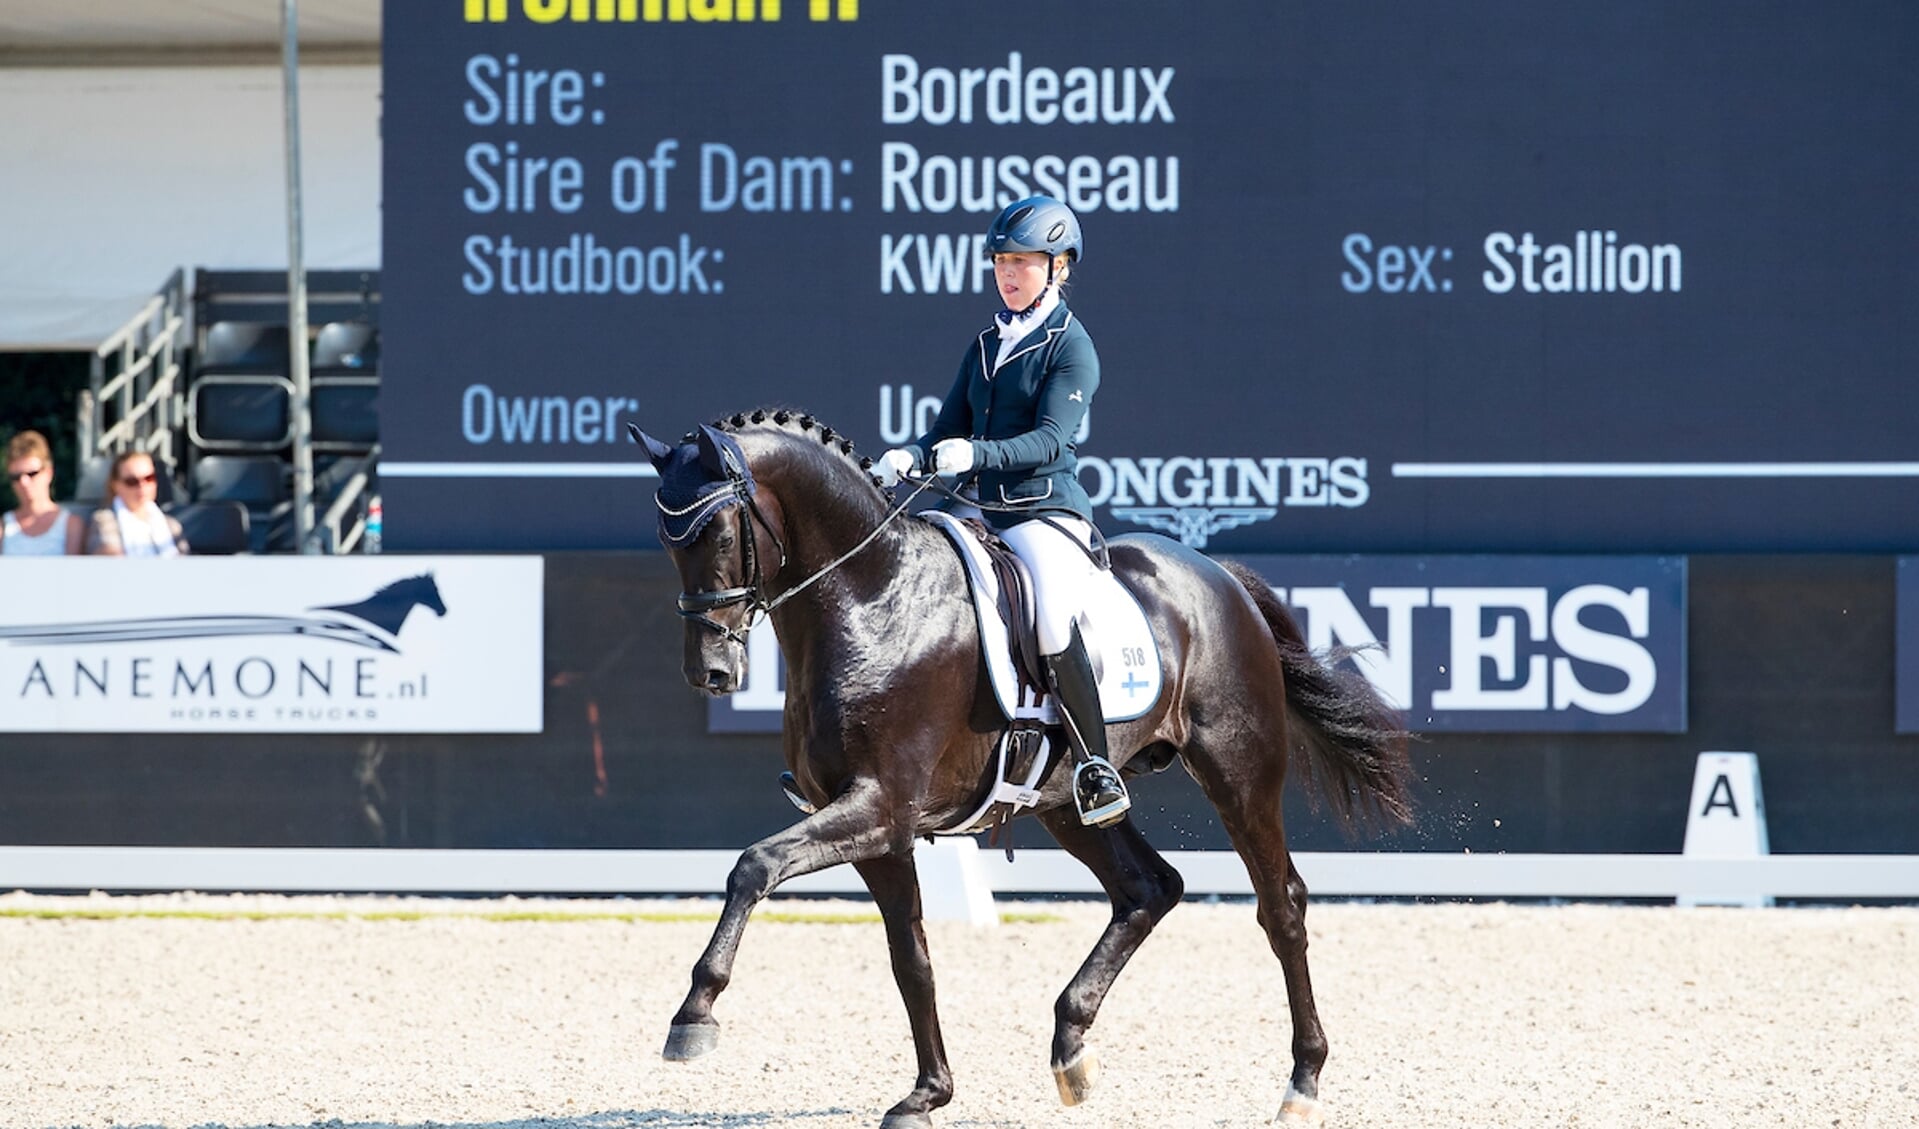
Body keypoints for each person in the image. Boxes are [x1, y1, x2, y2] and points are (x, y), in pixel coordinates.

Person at [874, 195, 1129, 827]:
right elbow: (946, 429)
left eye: (1024, 262)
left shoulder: (1073, 349)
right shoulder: (987, 342)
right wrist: (914, 456)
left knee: (1047, 617)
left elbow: (1050, 440)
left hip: (1046, 516)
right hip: (985, 515)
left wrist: (975, 453)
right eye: (1001, 262)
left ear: (1059, 267)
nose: (1009, 274)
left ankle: (1096, 767)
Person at [86, 449, 189, 556]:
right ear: (115, 485)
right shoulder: (104, 522)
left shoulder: (171, 525)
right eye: (132, 481)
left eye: (149, 478)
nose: (142, 486)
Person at [2, 430, 87, 556]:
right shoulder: (3, 526)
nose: (24, 482)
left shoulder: (72, 525)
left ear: (48, 473)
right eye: (16, 477)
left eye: (32, 474)